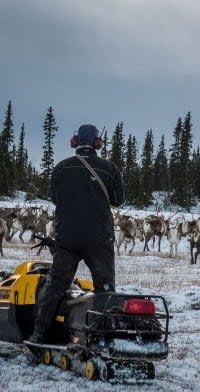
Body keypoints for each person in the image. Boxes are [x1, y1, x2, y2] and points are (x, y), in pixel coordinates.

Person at [28, 123, 125, 344]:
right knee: (105, 289)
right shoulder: (109, 169)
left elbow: (54, 197)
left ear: (75, 142)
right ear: (97, 143)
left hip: (67, 238)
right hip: (99, 239)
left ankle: (39, 334)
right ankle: (105, 337)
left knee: (56, 285)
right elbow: (118, 200)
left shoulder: (61, 168)